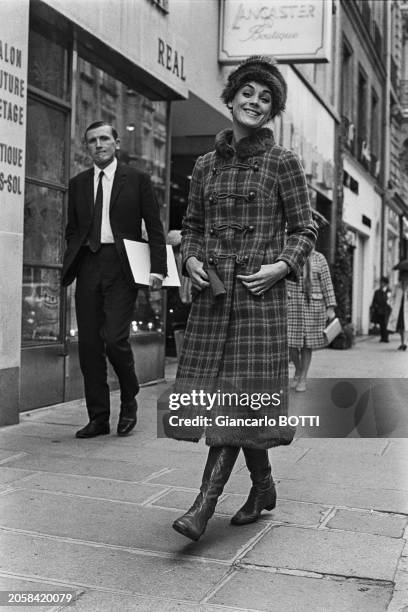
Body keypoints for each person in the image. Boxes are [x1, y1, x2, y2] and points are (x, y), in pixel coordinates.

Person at [166, 56, 317, 542]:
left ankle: (202, 508)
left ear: (271, 111)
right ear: (230, 98)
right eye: (247, 93)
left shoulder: (283, 162)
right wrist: (189, 258)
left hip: (258, 300)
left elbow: (304, 229)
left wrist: (279, 267)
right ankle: (264, 486)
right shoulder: (206, 164)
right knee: (240, 406)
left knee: (235, 404)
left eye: (265, 98)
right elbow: (191, 226)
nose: (254, 102)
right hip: (213, 298)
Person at [62, 121, 167, 438]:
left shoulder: (137, 180)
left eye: (104, 138)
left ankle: (130, 397)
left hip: (122, 267)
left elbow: (155, 226)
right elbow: (73, 229)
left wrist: (158, 269)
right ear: (87, 147)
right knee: (90, 345)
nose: (98, 144)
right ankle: (98, 417)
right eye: (92, 140)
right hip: (88, 264)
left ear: (116, 143)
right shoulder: (79, 183)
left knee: (114, 339)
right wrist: (74, 255)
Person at [287, 250, 337, 392]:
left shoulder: (319, 258)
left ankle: (303, 377)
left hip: (313, 306)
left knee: (307, 344)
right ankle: (298, 369)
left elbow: (327, 283)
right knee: (290, 342)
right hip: (293, 304)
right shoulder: (290, 254)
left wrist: (330, 307)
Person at [388, 266, 408, 350]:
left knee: (406, 327)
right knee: (400, 328)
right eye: (403, 277)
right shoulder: (396, 287)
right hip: (398, 310)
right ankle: (402, 342)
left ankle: (404, 344)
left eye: (406, 277)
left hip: (406, 310)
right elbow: (391, 298)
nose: (404, 279)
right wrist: (393, 305)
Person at [370, 276, 391, 343]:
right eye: (381, 283)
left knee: (386, 324)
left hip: (386, 310)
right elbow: (374, 301)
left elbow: (390, 301)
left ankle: (386, 337)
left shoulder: (388, 292)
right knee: (381, 324)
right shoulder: (377, 292)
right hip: (379, 310)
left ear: (386, 284)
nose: (381, 284)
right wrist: (375, 306)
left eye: (383, 283)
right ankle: (382, 337)